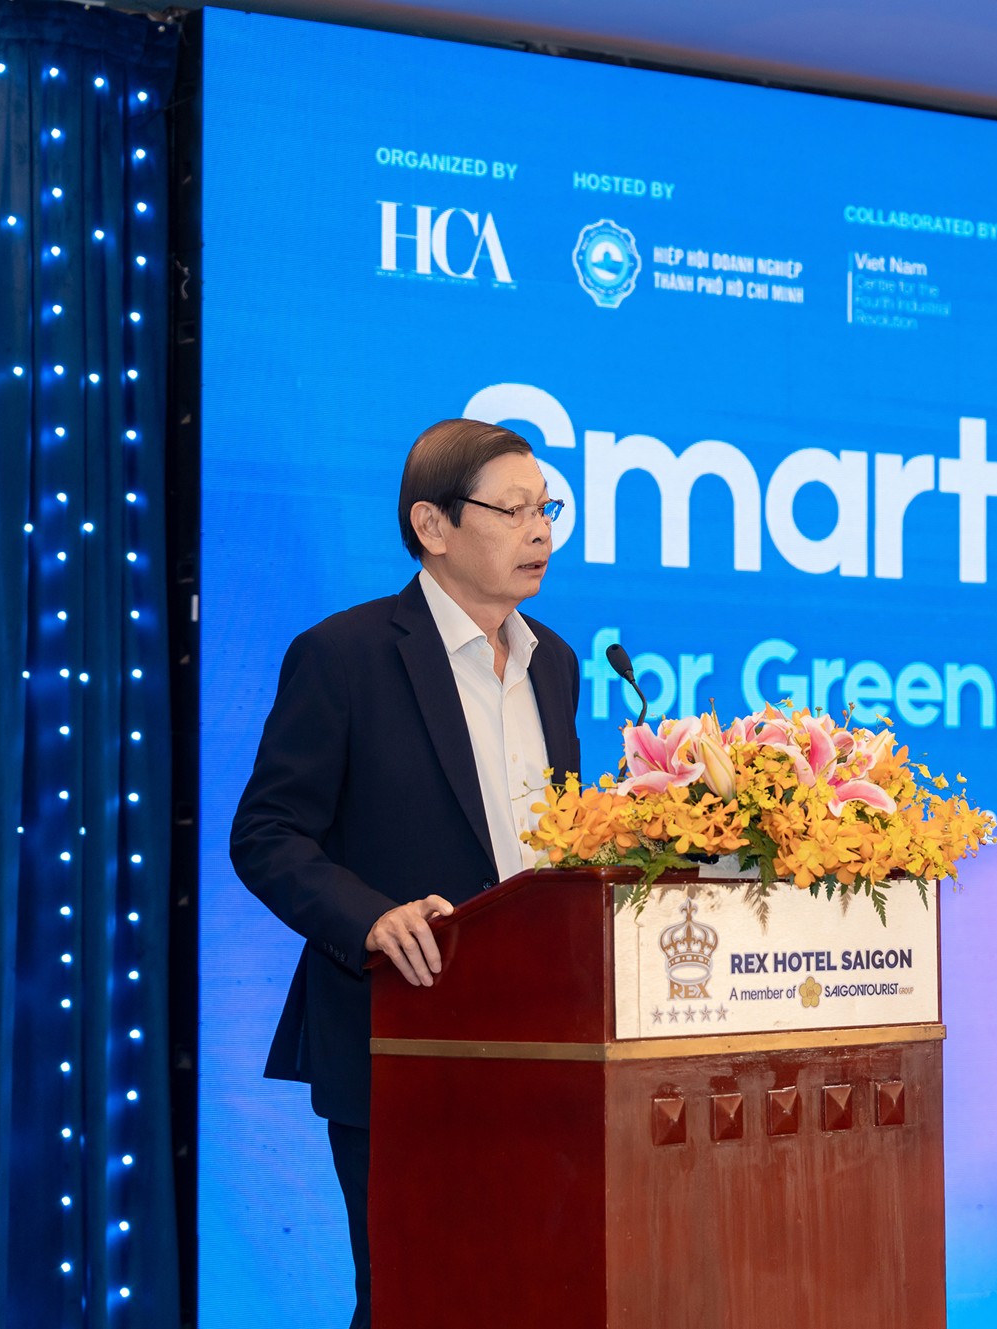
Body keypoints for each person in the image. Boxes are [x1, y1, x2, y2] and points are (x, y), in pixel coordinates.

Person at [230, 420, 583, 1328]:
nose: (540, 530)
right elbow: (267, 833)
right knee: (416, 1297)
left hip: (545, 1039)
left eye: (547, 508)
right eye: (514, 510)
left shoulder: (555, 664)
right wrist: (372, 918)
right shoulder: (345, 656)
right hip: (401, 1033)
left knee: (531, 1293)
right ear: (432, 525)